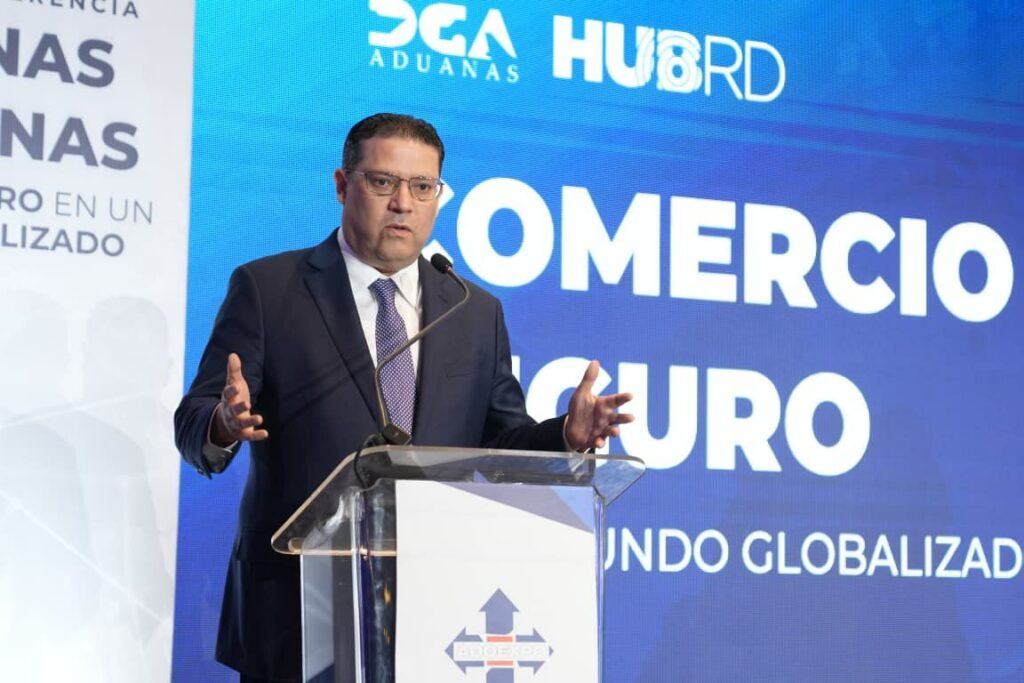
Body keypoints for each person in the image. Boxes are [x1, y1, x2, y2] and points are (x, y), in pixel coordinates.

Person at [174, 112, 633, 682]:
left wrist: (565, 435)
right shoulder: (270, 289)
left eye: (422, 187)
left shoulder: (472, 309)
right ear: (342, 185)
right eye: (382, 182)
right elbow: (192, 425)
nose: (403, 203)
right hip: (297, 608)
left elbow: (500, 443)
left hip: (439, 604)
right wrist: (223, 422)